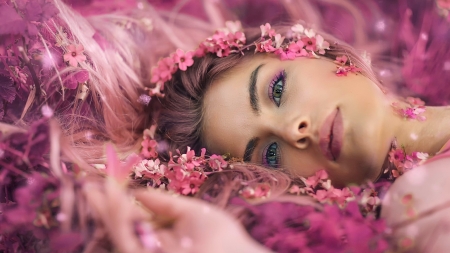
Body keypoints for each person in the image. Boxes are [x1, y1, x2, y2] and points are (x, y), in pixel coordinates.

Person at [1, 0, 450, 252]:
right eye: (270, 153)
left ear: (316, 52)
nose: (294, 129)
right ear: (305, 189)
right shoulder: (420, 207)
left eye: (276, 90)